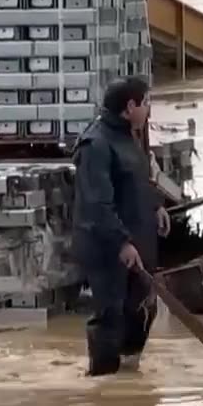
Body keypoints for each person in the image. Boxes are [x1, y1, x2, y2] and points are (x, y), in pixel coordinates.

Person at [74, 76, 172, 376]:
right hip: (108, 248)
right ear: (130, 106)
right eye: (145, 103)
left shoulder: (130, 135)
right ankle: (103, 382)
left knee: (141, 310)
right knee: (110, 316)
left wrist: (156, 206)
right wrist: (121, 242)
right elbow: (97, 204)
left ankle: (130, 376)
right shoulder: (96, 144)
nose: (148, 109)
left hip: (139, 241)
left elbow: (138, 177)